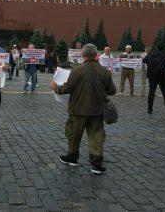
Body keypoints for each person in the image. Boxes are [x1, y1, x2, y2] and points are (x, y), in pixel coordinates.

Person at [50, 44, 116, 175]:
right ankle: (96, 164)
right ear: (96, 54)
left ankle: (72, 157)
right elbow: (112, 91)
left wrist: (55, 87)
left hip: (78, 110)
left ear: (83, 55)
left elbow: (67, 89)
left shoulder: (77, 71)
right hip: (97, 111)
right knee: (96, 136)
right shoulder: (104, 72)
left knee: (74, 135)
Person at [143, 44, 165, 115]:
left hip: (152, 76)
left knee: (151, 92)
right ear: (163, 48)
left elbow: (144, 60)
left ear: (156, 47)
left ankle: (149, 110)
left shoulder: (150, 55)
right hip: (162, 76)